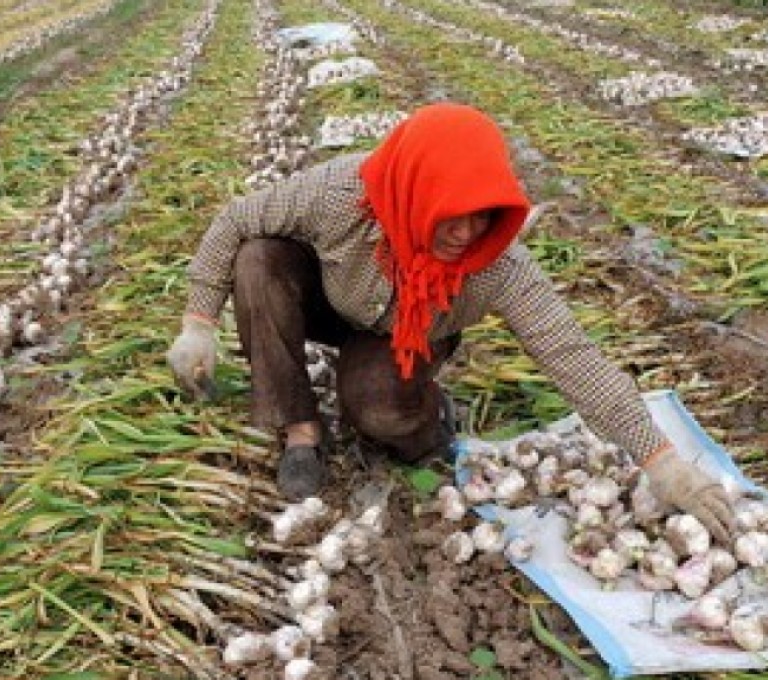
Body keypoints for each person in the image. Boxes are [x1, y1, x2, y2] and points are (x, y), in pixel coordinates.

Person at [168, 102, 736, 542]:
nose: (466, 233)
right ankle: (301, 432)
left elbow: (573, 356)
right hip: (329, 298)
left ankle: (428, 412)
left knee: (380, 412)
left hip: (407, 335)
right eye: (451, 214)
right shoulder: (344, 193)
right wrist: (199, 320)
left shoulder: (499, 267)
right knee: (259, 259)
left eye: (481, 215)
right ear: (417, 190)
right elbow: (235, 220)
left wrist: (661, 461)